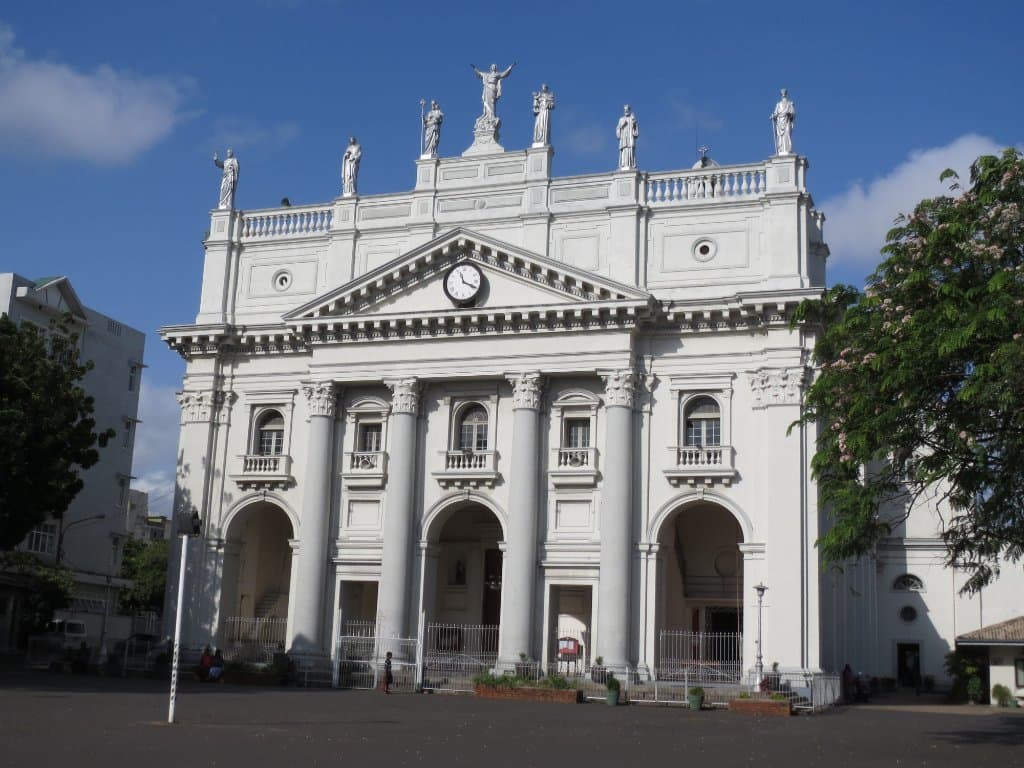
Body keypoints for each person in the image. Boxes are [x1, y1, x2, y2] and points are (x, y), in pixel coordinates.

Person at [771, 88, 795, 155]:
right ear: (781, 94)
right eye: (782, 93)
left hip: (787, 121)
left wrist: (789, 114)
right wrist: (773, 116)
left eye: (784, 93)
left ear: (786, 94)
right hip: (780, 121)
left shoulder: (790, 103)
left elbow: (793, 113)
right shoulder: (778, 104)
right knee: (780, 137)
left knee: (787, 134)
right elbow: (775, 113)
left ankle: (787, 149)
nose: (783, 94)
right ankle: (781, 150)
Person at [616, 105, 639, 170]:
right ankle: (623, 164)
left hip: (630, 137)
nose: (626, 111)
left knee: (630, 149)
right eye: (625, 110)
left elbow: (635, 130)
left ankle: (631, 164)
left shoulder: (632, 118)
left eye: (627, 109)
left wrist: (634, 122)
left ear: (629, 110)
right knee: (624, 149)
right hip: (624, 138)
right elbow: (618, 129)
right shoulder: (621, 119)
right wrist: (622, 126)